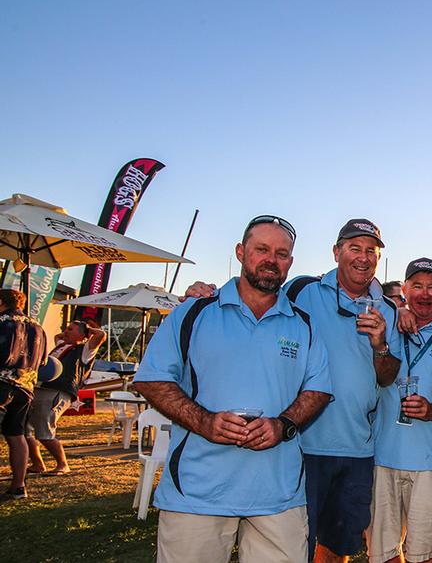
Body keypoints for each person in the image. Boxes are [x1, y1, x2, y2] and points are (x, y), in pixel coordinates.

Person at [185, 217, 403, 562]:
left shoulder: (389, 308)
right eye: (354, 248)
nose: (363, 257)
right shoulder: (303, 291)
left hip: (358, 447)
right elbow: (255, 292)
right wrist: (206, 292)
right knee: (295, 542)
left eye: (371, 251)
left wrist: (380, 344)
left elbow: (388, 376)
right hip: (299, 442)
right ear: (336, 252)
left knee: (338, 543)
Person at [134, 215, 332, 562]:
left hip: (278, 494)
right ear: (241, 252)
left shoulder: (303, 324)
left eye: (282, 253)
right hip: (198, 491)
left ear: (290, 262)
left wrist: (281, 425)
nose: (272, 259)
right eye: (262, 249)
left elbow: (318, 390)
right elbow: (152, 379)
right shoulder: (194, 312)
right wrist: (203, 421)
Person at [367, 258, 432, 563]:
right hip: (384, 456)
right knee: (382, 553)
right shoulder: (391, 324)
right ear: (404, 290)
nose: (424, 293)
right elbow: (368, 287)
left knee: (427, 553)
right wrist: (397, 312)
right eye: (416, 285)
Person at [26, 319, 105, 476]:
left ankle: (63, 464)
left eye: (71, 329)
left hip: (57, 391)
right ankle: (37, 464)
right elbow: (57, 336)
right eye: (66, 328)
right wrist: (69, 333)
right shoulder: (61, 346)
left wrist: (88, 331)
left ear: (83, 335)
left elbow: (101, 335)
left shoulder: (84, 350)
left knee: (44, 432)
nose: (66, 331)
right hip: (40, 388)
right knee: (24, 430)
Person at [0, 289, 46, 500]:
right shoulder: (37, 326)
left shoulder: (2, 320)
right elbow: (43, 361)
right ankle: (18, 486)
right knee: (16, 434)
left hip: (2, 382)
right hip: (26, 386)